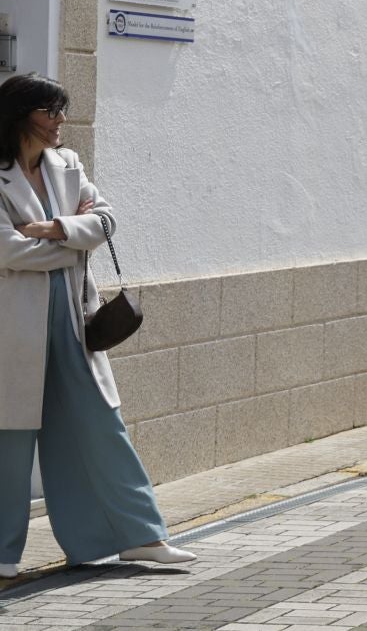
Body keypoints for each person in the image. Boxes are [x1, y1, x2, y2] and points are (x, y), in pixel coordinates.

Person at [0, 73, 195, 580]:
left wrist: (54, 229)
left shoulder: (68, 165)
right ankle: (2, 553)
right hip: (13, 333)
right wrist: (73, 241)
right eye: (51, 111)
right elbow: (5, 249)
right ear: (22, 116)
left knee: (102, 429)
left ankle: (141, 537)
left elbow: (106, 221)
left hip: (72, 324)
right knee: (10, 447)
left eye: (62, 110)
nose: (61, 120)